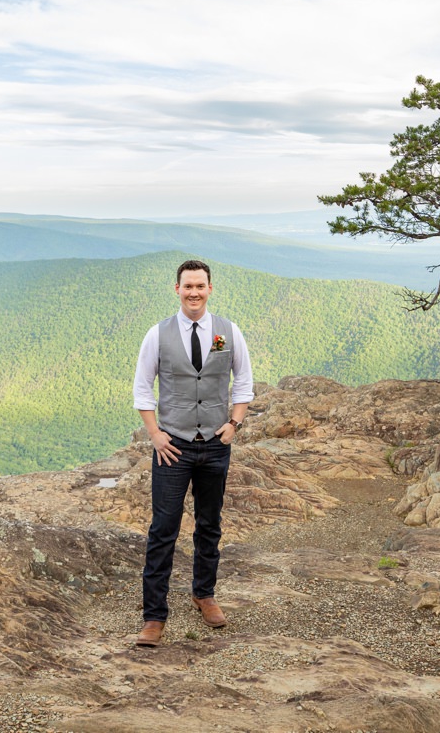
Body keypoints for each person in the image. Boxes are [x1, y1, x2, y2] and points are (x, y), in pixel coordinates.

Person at [130, 259, 253, 646]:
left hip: (215, 446)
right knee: (163, 530)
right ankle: (154, 617)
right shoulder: (158, 334)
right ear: (177, 290)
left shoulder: (228, 332)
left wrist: (233, 424)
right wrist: (155, 434)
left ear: (210, 289)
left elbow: (243, 381)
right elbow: (142, 388)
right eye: (188, 287)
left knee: (209, 525)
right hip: (173, 447)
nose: (194, 292)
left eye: (200, 286)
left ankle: (204, 594)